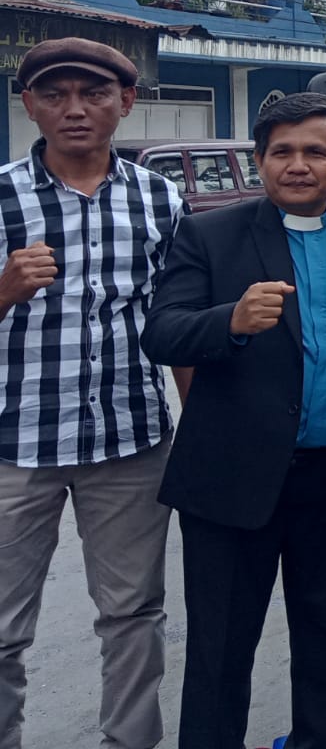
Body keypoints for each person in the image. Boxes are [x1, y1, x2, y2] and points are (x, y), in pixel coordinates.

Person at [144, 92, 326, 749]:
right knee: (219, 652)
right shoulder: (210, 234)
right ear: (260, 159)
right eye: (282, 152)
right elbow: (161, 332)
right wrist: (231, 321)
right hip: (232, 481)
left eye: (315, 152)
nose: (298, 165)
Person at [0, 38, 184, 749]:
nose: (74, 109)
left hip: (129, 441)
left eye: (94, 93)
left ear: (126, 102)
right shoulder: (3, 196)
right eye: (55, 95)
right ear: (30, 105)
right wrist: (5, 289)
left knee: (133, 614)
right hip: (16, 444)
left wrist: (199, 426)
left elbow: (176, 324)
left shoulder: (159, 200)